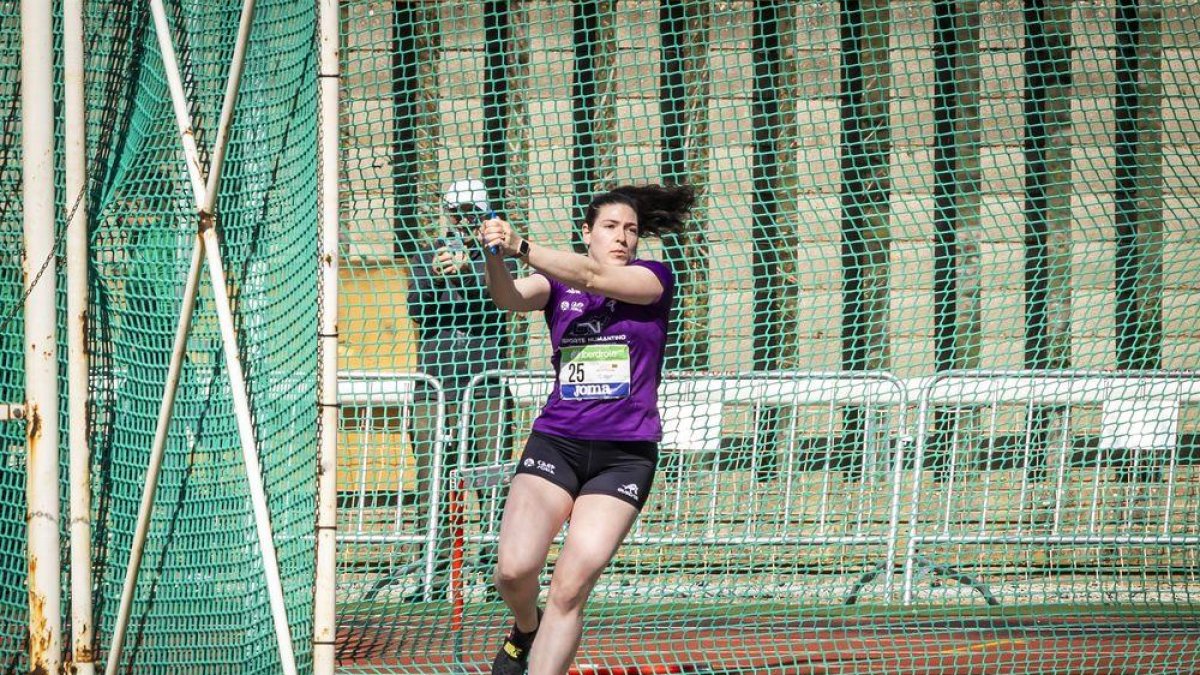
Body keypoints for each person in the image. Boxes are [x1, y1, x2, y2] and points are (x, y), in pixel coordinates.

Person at [477, 184, 695, 675]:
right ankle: (525, 628)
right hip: (558, 444)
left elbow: (594, 276)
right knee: (512, 571)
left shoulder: (653, 277)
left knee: (570, 588)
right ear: (586, 232)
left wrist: (521, 245)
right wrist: (495, 254)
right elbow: (509, 297)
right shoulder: (556, 284)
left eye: (631, 230)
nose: (622, 238)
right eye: (610, 227)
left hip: (623, 457)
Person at [404, 178, 512, 599]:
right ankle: (431, 575)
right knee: (432, 481)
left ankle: (496, 575)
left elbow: (505, 301)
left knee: (493, 481)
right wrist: (435, 276)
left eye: (472, 212)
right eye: (457, 212)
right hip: (434, 388)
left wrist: (470, 273)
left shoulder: (500, 257)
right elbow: (417, 308)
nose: (463, 220)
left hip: (485, 388)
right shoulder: (427, 254)